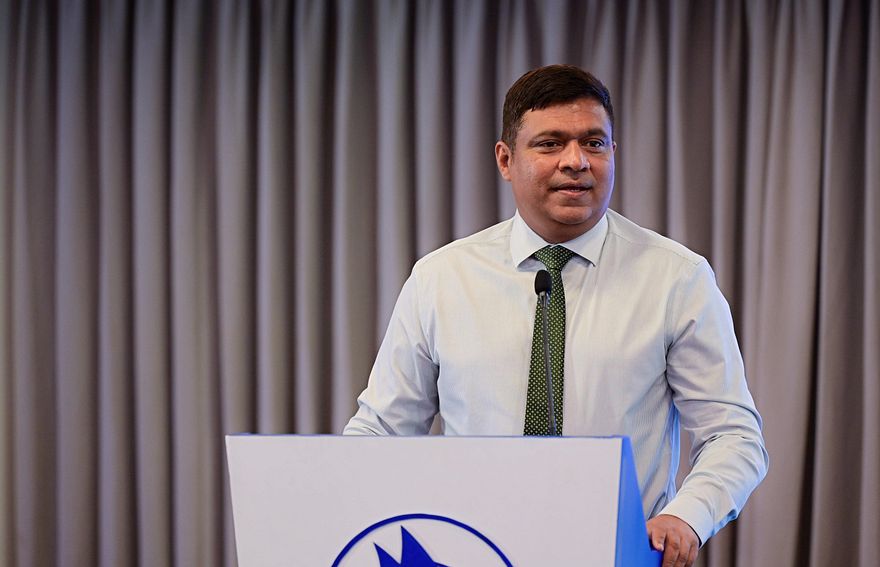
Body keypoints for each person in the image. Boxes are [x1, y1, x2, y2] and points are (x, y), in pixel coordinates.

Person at [344, 64, 768, 567]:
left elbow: (733, 436)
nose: (576, 161)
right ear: (505, 160)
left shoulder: (676, 278)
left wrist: (686, 517)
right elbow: (380, 434)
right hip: (472, 551)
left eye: (594, 143)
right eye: (550, 144)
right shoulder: (441, 278)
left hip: (619, 555)